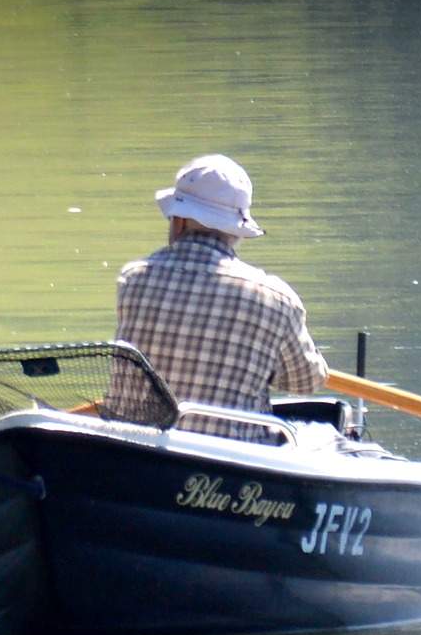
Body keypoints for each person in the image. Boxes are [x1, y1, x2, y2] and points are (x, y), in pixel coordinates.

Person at [108, 153, 328, 441]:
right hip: (230, 459)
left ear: (179, 221)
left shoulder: (133, 279)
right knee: (324, 435)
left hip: (135, 450)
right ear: (237, 231)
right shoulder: (277, 299)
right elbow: (305, 381)